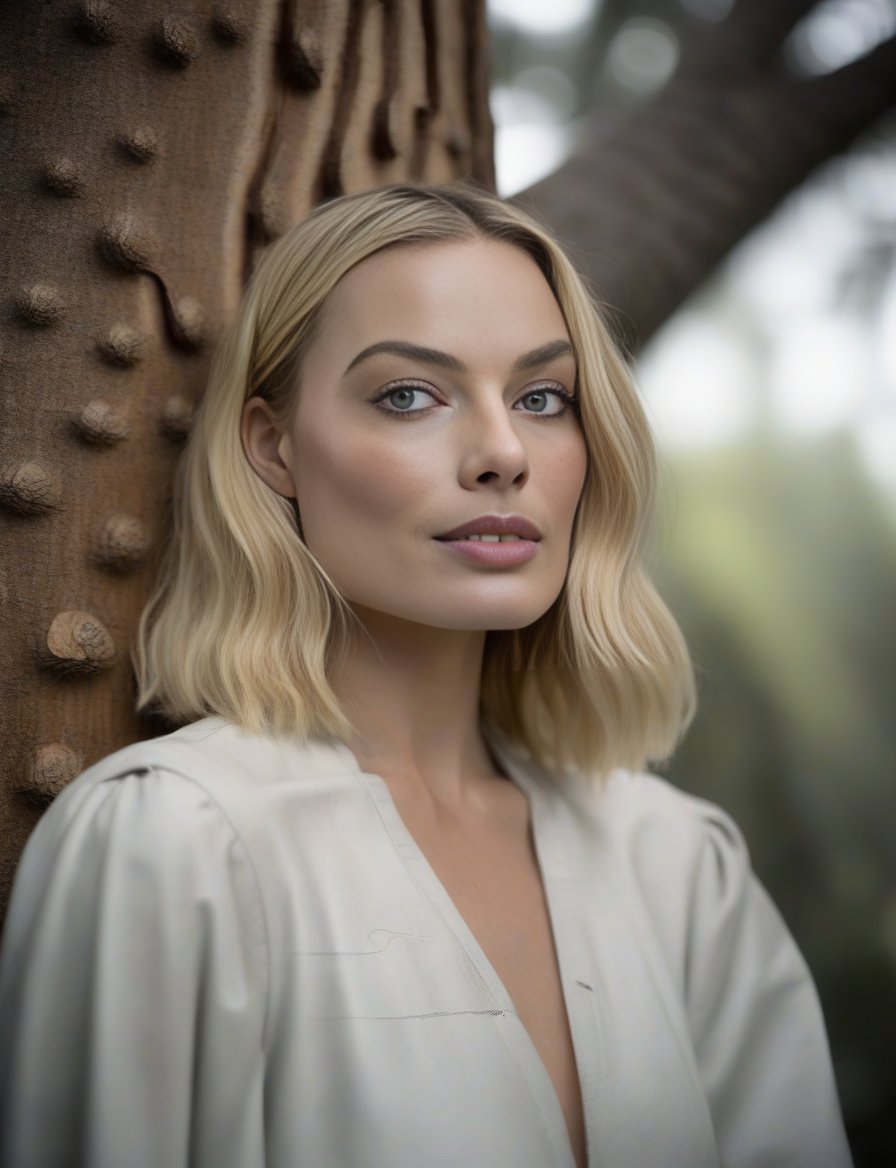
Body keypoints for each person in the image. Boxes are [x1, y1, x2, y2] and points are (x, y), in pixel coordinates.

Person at [0, 185, 851, 1168]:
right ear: (273, 447)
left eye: (543, 398)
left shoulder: (677, 865)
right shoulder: (173, 843)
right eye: (409, 394)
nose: (501, 452)